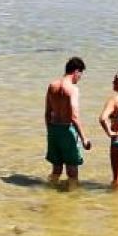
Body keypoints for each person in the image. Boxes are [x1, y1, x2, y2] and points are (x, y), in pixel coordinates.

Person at [45, 57, 92, 188]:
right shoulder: (72, 89)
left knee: (56, 169)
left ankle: (50, 191)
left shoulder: (52, 85)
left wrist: (50, 131)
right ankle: (72, 200)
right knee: (72, 172)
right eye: (80, 74)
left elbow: (47, 113)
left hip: (53, 129)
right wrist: (84, 139)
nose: (80, 78)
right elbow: (74, 117)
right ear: (77, 71)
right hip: (67, 131)